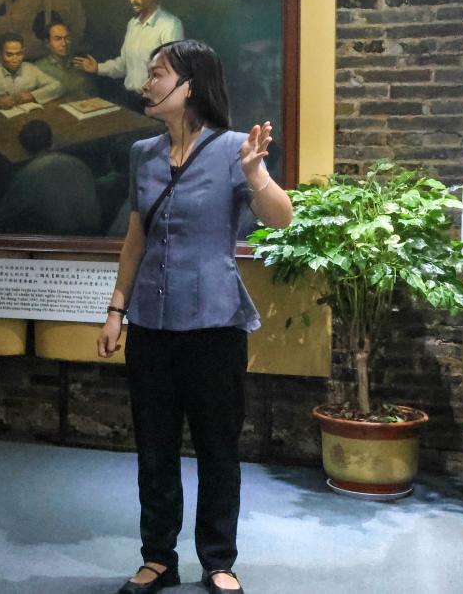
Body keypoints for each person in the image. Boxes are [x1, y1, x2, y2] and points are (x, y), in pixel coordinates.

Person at [96, 39, 292, 594]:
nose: (146, 83)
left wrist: (255, 174)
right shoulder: (143, 154)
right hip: (151, 324)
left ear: (190, 86)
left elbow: (281, 219)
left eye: (157, 74)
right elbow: (135, 238)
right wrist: (116, 308)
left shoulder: (234, 149)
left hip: (214, 325)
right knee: (154, 447)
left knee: (217, 448)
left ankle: (218, 560)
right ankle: (158, 557)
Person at [74, 0, 184, 95]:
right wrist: (98, 68)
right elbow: (124, 65)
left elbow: (174, 71)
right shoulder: (132, 24)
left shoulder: (170, 25)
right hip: (130, 98)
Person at [0, 121, 101, 236]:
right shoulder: (77, 163)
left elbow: (3, 214)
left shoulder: (27, 175)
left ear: (25, 149)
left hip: (62, 236)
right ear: (51, 142)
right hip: (94, 228)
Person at [0, 31, 62, 112]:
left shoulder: (31, 69)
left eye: (19, 54)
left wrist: (33, 96)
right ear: (0, 54)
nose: (15, 59)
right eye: (9, 55)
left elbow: (57, 86)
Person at [31, 12, 94, 101]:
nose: (64, 44)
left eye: (66, 38)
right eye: (58, 39)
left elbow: (92, 93)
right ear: (47, 43)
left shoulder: (81, 63)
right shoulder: (38, 68)